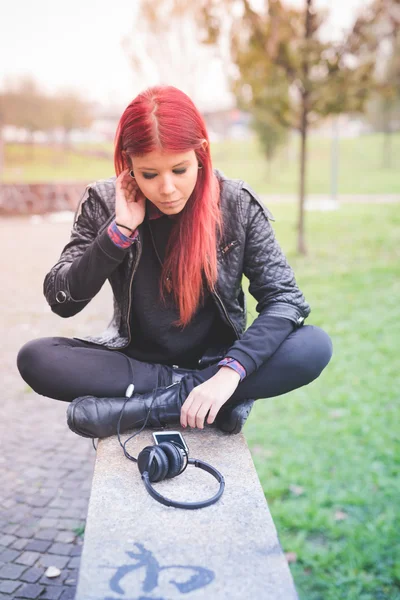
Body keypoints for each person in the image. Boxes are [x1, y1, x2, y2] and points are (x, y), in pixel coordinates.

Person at [17, 85, 333, 439]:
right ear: (128, 165)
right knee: (36, 358)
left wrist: (229, 373)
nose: (166, 188)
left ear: (201, 154)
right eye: (149, 174)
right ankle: (195, 400)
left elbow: (285, 301)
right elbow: (62, 300)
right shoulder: (104, 202)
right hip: (135, 364)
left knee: (313, 345)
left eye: (179, 170)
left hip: (216, 362)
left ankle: (151, 408)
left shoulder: (236, 203)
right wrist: (119, 231)